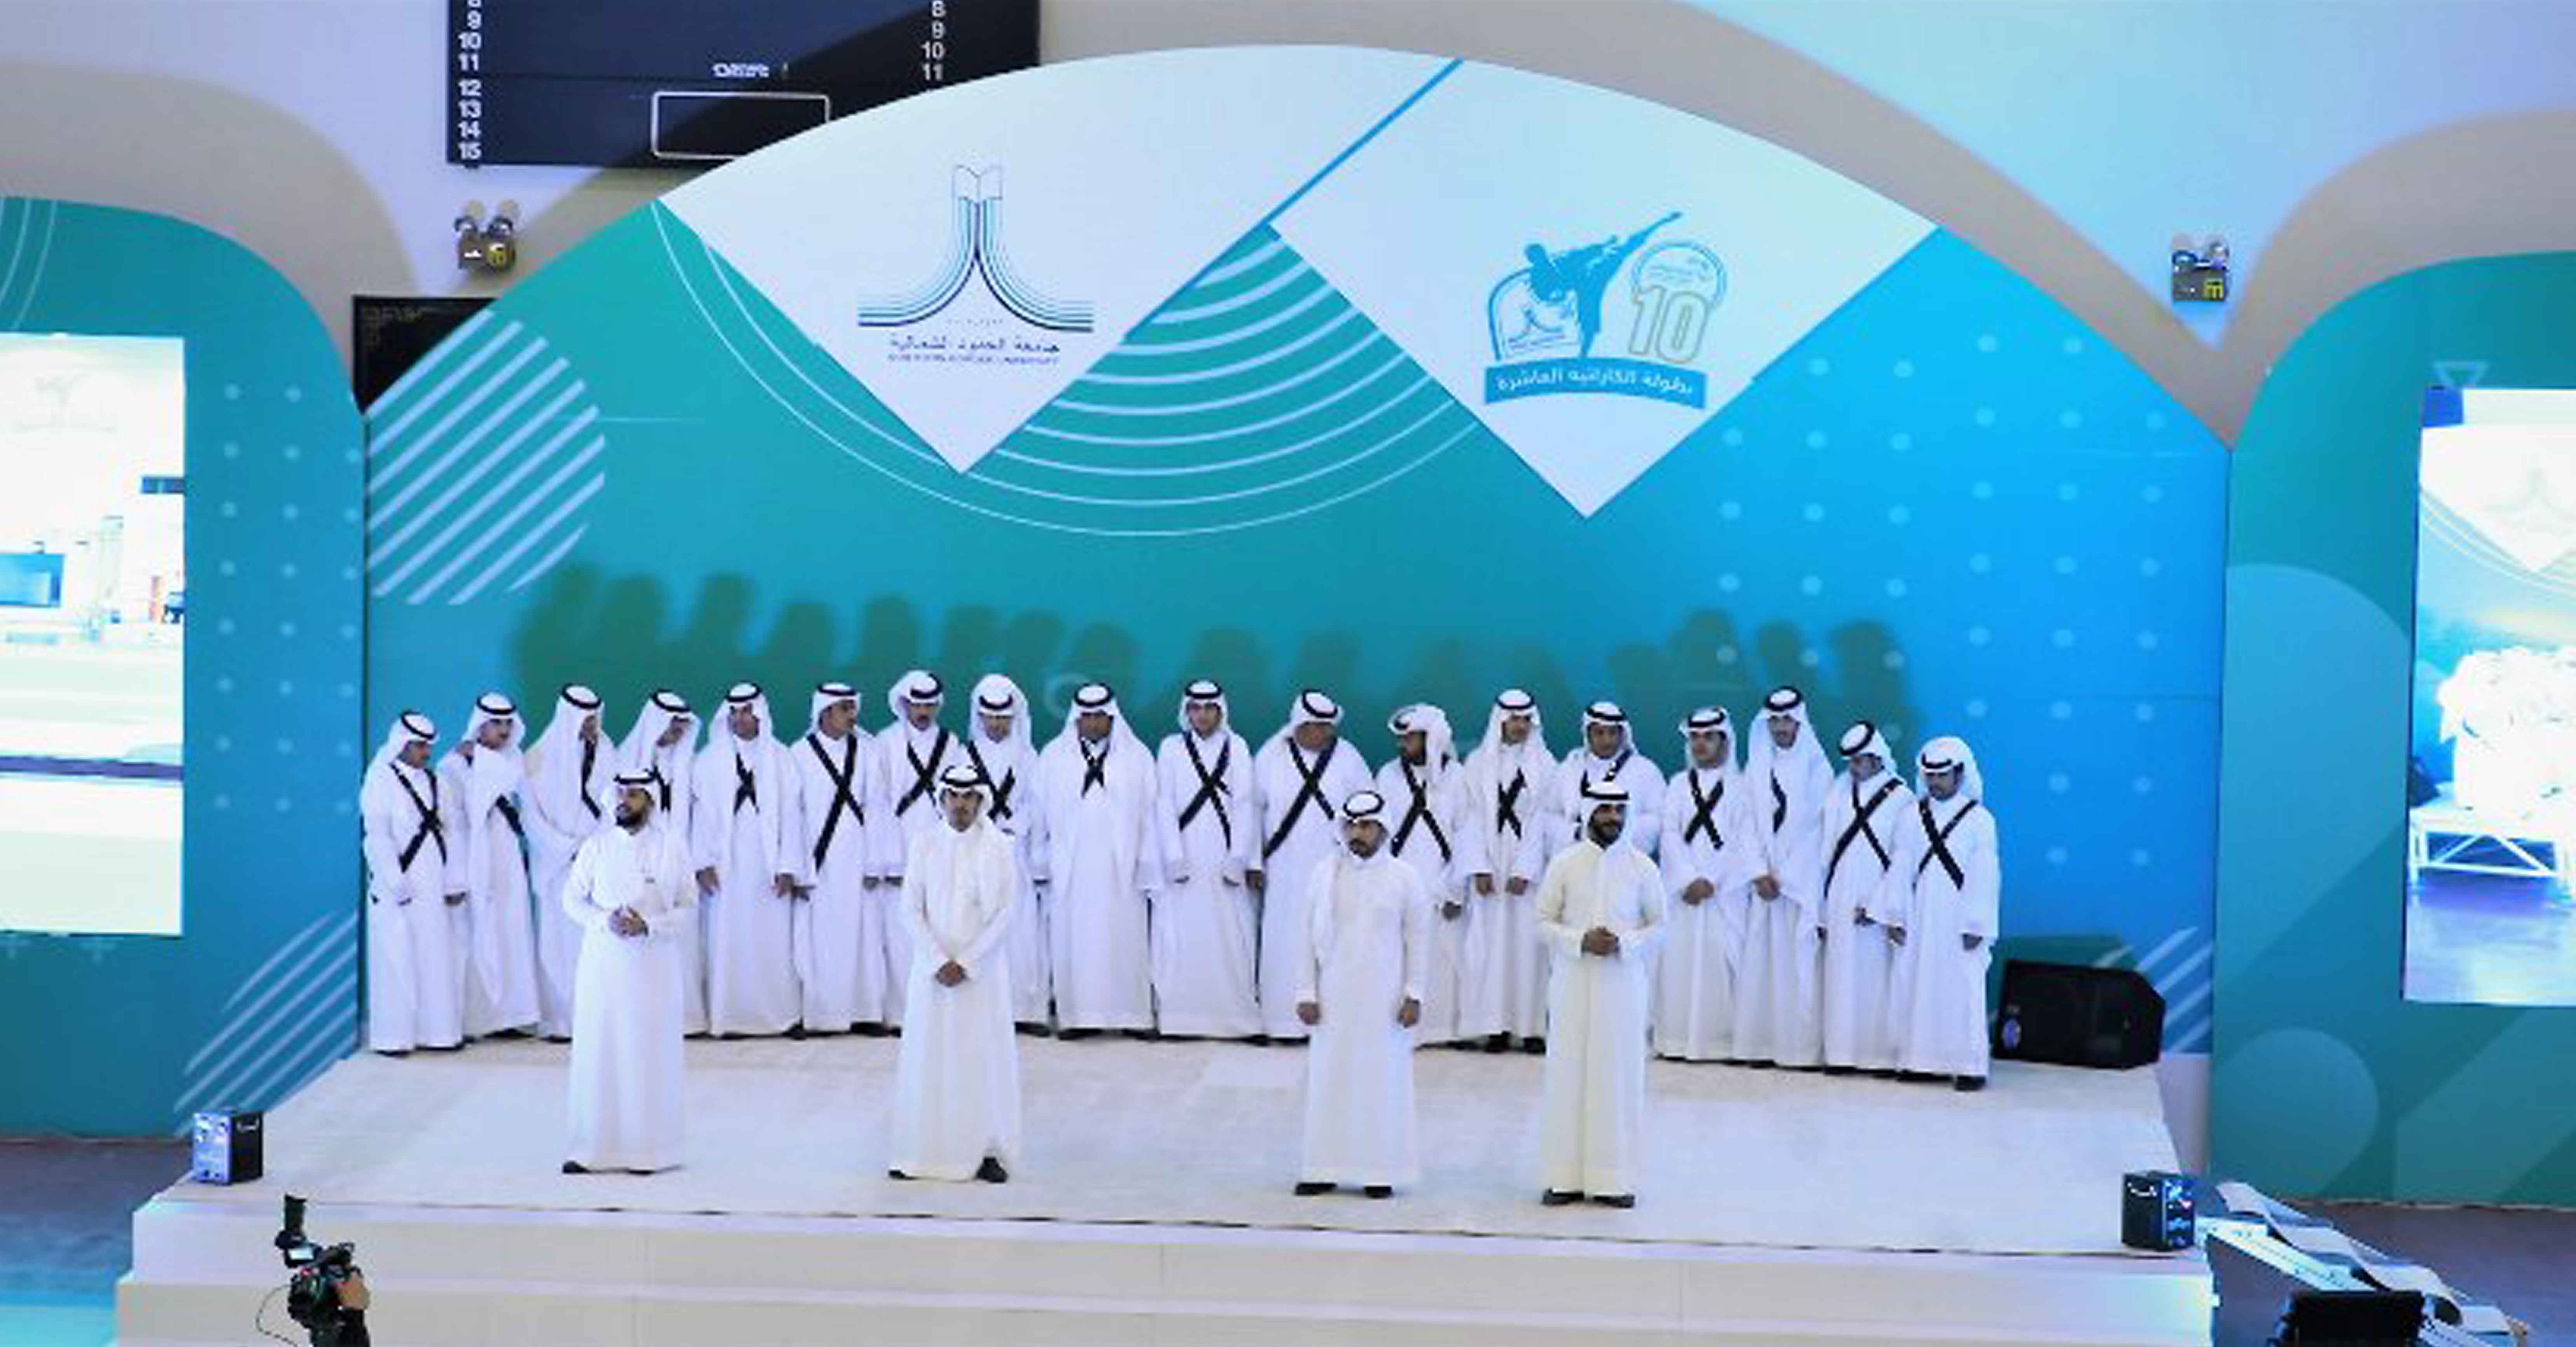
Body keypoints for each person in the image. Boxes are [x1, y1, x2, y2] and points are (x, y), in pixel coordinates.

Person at [1534, 779, 1666, 1208]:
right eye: (1605, 809)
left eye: (1619, 810)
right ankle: (1564, 1178)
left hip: (1623, 988)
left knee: (1617, 1078)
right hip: (1572, 984)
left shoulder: (1643, 867)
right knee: (1567, 1076)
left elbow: (1661, 926)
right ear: (1589, 811)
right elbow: (1542, 921)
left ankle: (1614, 1180)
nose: (1613, 817)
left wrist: (1625, 944)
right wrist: (1579, 940)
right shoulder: (1564, 863)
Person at [888, 765, 1023, 1183]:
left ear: (981, 800)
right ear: (942, 799)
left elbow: (1006, 914)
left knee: (981, 1060)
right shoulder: (924, 844)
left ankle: (986, 1151)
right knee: (928, 1059)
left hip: (981, 976)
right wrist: (937, 960)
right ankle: (920, 1152)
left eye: (969, 797)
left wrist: (967, 962)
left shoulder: (999, 848)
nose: (961, 804)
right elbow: (910, 908)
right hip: (932, 973)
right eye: (954, 796)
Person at [1293, 791, 1430, 1199]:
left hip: (1384, 1000)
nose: (1358, 833)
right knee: (1329, 1079)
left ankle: (1379, 1171)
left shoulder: (1405, 877)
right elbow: (1305, 938)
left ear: (1383, 828)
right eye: (1352, 825)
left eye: (1367, 825)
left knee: (1381, 1081)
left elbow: (1418, 940)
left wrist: (1414, 993)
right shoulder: (1324, 874)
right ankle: (1322, 1168)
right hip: (1333, 997)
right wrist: (1306, 992)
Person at [561, 769, 695, 1174]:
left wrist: (649, 925)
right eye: (621, 793)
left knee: (646, 1053)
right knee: (599, 1051)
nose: (625, 800)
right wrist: (605, 920)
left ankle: (647, 1152)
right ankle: (589, 1149)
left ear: (650, 801)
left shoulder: (672, 846)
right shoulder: (597, 846)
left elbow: (688, 906)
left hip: (653, 968)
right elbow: (572, 899)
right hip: (603, 967)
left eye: (634, 794)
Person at [1032, 683, 1161, 1036]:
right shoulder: (1053, 757)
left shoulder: (1137, 757)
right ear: (1076, 718)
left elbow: (1150, 815)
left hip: (1123, 871)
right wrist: (1040, 862)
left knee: (1126, 940)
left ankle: (1132, 1017)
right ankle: (1078, 1018)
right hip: (1071, 870)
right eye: (1085, 716)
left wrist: (1148, 865)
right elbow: (1039, 815)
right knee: (1075, 940)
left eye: (1099, 716)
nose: (1092, 722)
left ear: (1112, 718)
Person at [1249, 690, 1373, 1041]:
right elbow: (1252, 812)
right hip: (1283, 869)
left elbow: (1369, 810)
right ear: (1298, 725)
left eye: (1326, 726)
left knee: (1333, 941)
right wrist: (1254, 861)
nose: (1321, 733)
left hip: (1335, 869)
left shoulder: (1349, 758)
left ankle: (1335, 1023)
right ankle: (1281, 1022)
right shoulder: (1271, 757)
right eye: (1314, 726)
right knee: (1283, 942)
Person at [1884, 737, 2002, 1090]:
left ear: (1959, 775)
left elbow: (1985, 874)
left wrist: (1976, 922)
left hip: (1960, 918)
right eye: (1929, 776)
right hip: (1920, 915)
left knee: (1962, 987)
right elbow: (1901, 867)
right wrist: (1896, 915)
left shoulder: (1980, 820)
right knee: (1916, 983)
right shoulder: (1911, 817)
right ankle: (1919, 1061)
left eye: (1942, 775)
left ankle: (1968, 1066)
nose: (1935, 782)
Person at [1152, 679, 1262, 1039]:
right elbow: (1164, 804)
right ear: (1187, 712)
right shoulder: (1170, 748)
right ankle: (1180, 1020)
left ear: (1221, 711)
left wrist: (1238, 858)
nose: (1203, 715)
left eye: (1210, 708)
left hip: (1224, 859)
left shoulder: (1237, 746)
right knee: (1180, 936)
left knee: (1233, 936)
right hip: (1183, 861)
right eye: (1196, 709)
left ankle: (1238, 1019)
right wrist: (1174, 857)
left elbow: (1245, 804)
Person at [690, 683, 800, 1038]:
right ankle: (730, 1017)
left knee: (773, 940)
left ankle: (779, 1016)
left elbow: (792, 816)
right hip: (724, 867)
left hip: (768, 867)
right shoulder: (709, 760)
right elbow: (700, 815)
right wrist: (702, 862)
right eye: (735, 712)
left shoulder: (781, 758)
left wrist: (788, 866)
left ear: (761, 715)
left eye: (747, 711)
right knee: (727, 939)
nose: (740, 719)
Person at [780, 681, 890, 1034]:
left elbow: (878, 808)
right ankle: (823, 1016)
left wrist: (876, 861)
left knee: (864, 937)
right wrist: (796, 868)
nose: (852, 715)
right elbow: (792, 815)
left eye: (853, 707)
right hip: (818, 863)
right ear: (825, 712)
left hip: (858, 860)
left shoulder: (868, 751)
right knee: (819, 941)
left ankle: (865, 1013)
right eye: (845, 708)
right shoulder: (799, 753)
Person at [1736, 686, 1832, 1068]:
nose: (1780, 727)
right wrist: (1758, 871)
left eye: (1787, 720)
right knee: (1761, 964)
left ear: (1800, 722)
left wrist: (1786, 876)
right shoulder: (1756, 766)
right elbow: (1745, 822)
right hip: (1764, 884)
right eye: (1774, 720)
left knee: (1798, 962)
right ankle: (1762, 1046)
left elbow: (1818, 828)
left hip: (1798, 886)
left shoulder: (1818, 768)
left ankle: (1799, 1050)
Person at [1458, 689, 1558, 1053]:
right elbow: (1468, 817)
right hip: (1491, 869)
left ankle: (1531, 1029)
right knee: (1489, 951)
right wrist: (1479, 866)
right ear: (1500, 720)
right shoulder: (1477, 763)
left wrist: (1526, 867)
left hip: (1528, 876)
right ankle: (1494, 1026)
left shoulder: (1546, 764)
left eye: (1526, 719)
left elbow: (1545, 820)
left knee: (1530, 950)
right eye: (1513, 719)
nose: (1520, 726)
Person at [360, 711, 465, 1055]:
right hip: (398, 886)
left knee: (436, 957)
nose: (426, 752)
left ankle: (439, 1033)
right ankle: (394, 1037)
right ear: (402, 744)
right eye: (420, 745)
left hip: (433, 887)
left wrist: (454, 881)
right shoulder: (380, 779)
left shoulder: (437, 782)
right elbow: (377, 835)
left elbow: (452, 833)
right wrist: (394, 881)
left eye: (429, 746)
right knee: (395, 958)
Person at [1654, 707, 1755, 1062]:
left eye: (1708, 737)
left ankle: (1720, 1043)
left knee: (1722, 963)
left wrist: (1710, 879)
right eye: (1695, 737)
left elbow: (1742, 840)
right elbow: (1669, 833)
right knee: (1679, 962)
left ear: (1724, 741)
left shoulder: (1743, 787)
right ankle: (1676, 1039)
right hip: (1683, 893)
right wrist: (1687, 878)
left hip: (1724, 894)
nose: (1700, 744)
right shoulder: (1678, 784)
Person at [438, 694, 541, 1039]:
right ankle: (475, 1019)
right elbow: (451, 822)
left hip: (507, 858)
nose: (504, 730)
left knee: (512, 932)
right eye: (496, 723)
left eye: (508, 723)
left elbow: (521, 795)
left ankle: (510, 1016)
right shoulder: (454, 765)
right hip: (473, 858)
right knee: (476, 936)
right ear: (480, 724)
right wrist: (455, 875)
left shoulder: (512, 759)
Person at [521, 685, 613, 1040]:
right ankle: (560, 1021)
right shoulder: (539, 756)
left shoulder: (606, 750)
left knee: (594, 941)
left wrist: (594, 847)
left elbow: (612, 803)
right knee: (557, 944)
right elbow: (531, 816)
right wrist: (565, 848)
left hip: (595, 860)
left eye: (594, 717)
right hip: (557, 865)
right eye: (585, 718)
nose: (592, 725)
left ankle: (593, 1020)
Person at [1818, 722, 1911, 1074]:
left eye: (1860, 761)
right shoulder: (1838, 792)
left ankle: (1881, 1057)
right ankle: (1841, 1054)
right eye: (1851, 762)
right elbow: (1826, 852)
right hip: (1841, 896)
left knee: (1878, 978)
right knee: (1840, 976)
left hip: (1879, 900)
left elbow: (1903, 858)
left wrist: (1881, 905)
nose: (1854, 769)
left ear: (1877, 758)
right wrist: (1822, 910)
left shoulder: (1902, 798)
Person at [963, 674, 1051, 1032]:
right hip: (974, 853)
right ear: (980, 717)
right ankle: (979, 1010)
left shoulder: (1029, 757)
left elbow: (1038, 804)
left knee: (1022, 931)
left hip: (1017, 854)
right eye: (990, 717)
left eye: (1003, 717)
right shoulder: (964, 755)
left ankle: (1025, 1010)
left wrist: (1016, 825)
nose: (997, 724)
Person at [1377, 704, 1468, 1046]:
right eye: (1401, 739)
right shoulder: (1388, 776)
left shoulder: (1457, 778)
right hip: (1399, 884)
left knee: (1443, 960)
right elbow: (1379, 832)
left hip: (1443, 885)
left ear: (1432, 738)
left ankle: (1443, 1030)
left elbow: (1467, 835)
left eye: (1410, 738)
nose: (1403, 745)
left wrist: (1456, 890)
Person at [877, 671, 962, 1026]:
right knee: (900, 935)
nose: (923, 712)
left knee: (941, 929)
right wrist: (888, 859)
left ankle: (940, 1012)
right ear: (905, 705)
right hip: (898, 848)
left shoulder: (951, 743)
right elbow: (879, 803)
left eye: (930, 705)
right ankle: (901, 1014)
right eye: (917, 705)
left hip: (941, 849)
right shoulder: (886, 742)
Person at [619, 689, 704, 1035]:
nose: (677, 731)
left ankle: (684, 1018)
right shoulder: (626, 761)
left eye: (682, 724)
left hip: (676, 859)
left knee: (679, 931)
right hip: (636, 860)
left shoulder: (687, 762)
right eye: (672, 723)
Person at [1556, 701, 1665, 859]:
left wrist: (1615, 834)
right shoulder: (1568, 769)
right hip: (1576, 861)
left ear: (1622, 734)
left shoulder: (1645, 771)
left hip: (1626, 863)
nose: (1607, 740)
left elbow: (1658, 819)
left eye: (1613, 733)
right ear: (1588, 734)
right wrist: (1578, 833)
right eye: (1599, 733)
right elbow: (1549, 816)